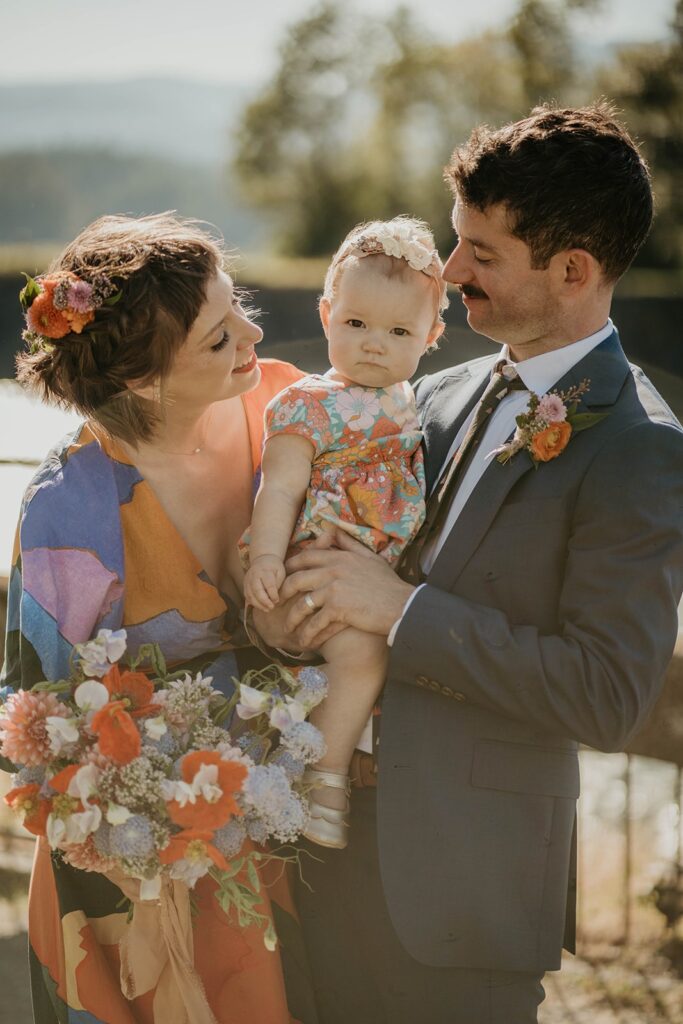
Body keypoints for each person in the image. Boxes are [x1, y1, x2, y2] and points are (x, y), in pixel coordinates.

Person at [259, 103, 683, 1023]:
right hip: (311, 844)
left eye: (480, 254)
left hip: (460, 899)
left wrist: (399, 612)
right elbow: (333, 550)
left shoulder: (639, 448)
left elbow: (605, 693)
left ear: (571, 270)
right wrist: (289, 616)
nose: (447, 275)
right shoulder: (425, 388)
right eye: (456, 243)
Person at [0, 213, 317, 1024]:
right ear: (142, 380)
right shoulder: (68, 510)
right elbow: (44, 722)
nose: (251, 330)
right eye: (218, 337)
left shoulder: (288, 410)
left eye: (237, 303)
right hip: (128, 858)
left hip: (293, 834)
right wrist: (148, 829)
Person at [241, 218, 446, 848]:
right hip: (314, 560)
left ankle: (309, 751)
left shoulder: (416, 402)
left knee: (368, 655)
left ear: (431, 336)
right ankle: (320, 777)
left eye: (398, 331)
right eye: (356, 324)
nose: (375, 345)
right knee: (362, 655)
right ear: (327, 314)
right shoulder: (310, 404)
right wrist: (268, 557)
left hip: (377, 575)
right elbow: (279, 488)